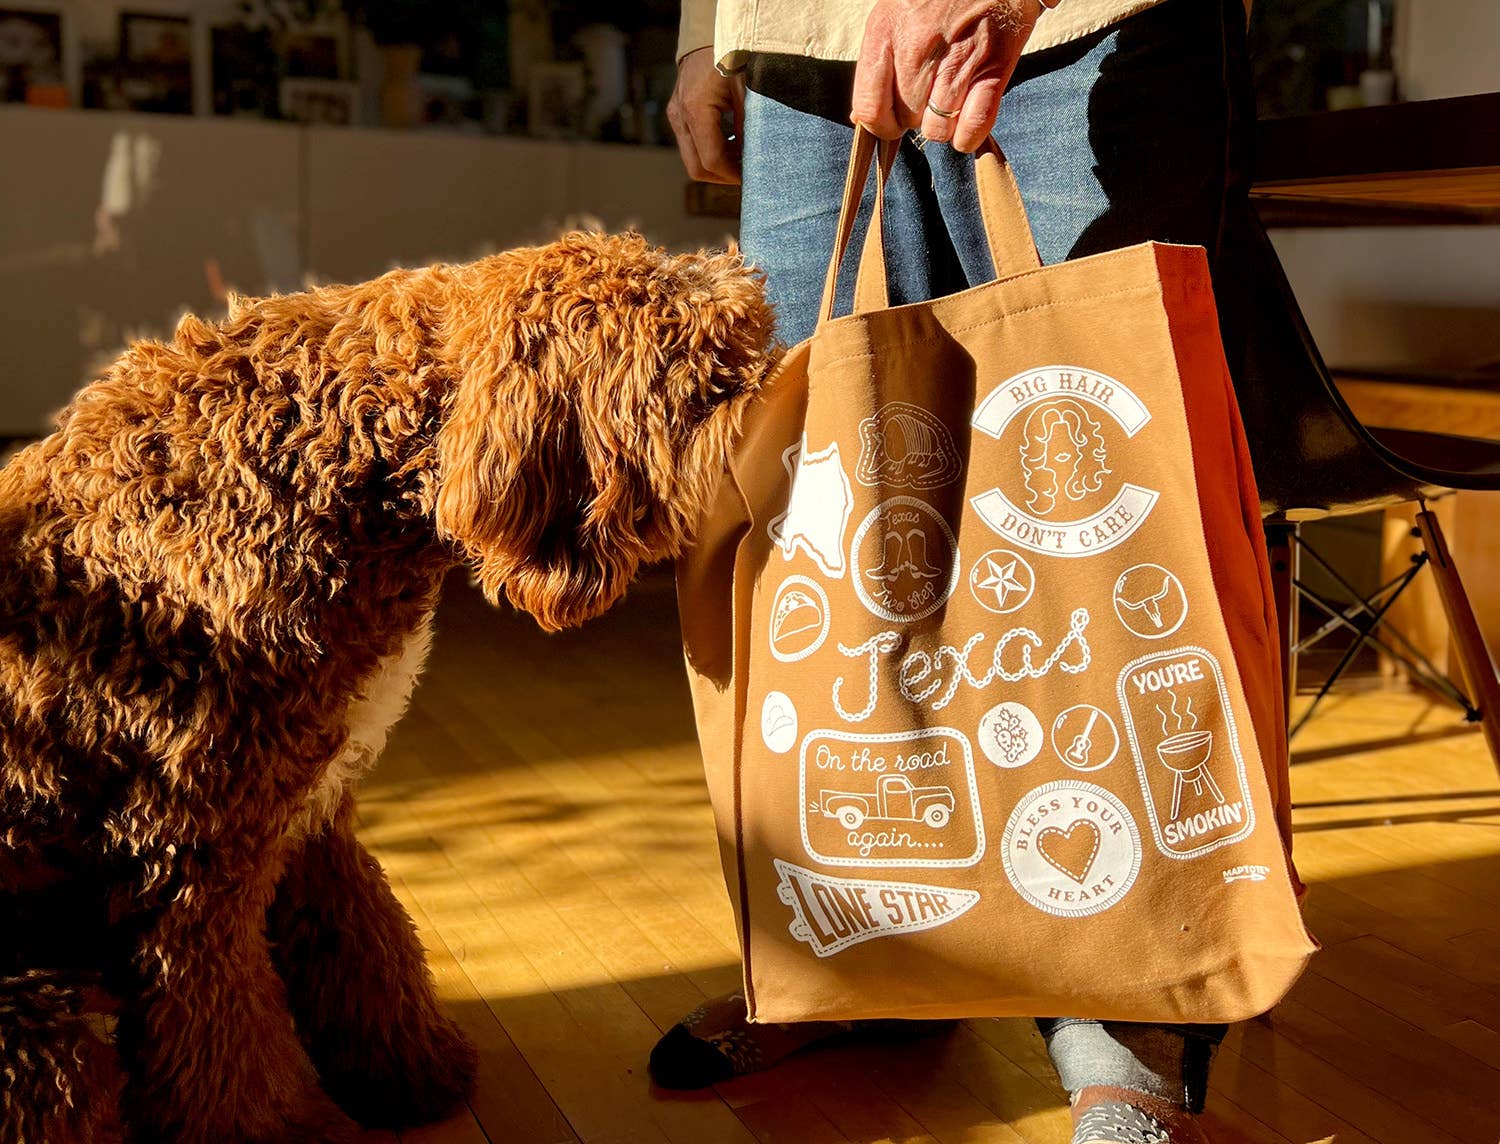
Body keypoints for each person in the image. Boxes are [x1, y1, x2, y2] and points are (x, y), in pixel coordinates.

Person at [654, 1, 1261, 1142]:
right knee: (823, 525)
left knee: (1100, 515)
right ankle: (858, 946)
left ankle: (1130, 997)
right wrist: (707, 25)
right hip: (802, 37)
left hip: (1080, 28)